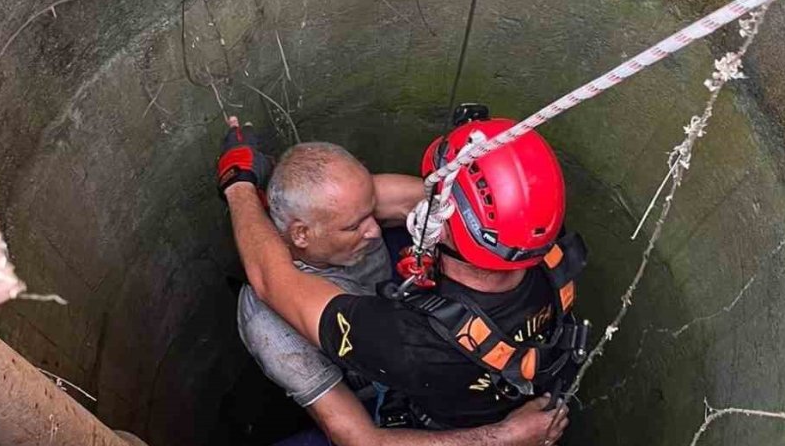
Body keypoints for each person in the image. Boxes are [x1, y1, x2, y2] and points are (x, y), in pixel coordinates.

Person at [219, 108, 587, 443]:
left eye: (371, 212)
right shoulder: (537, 230)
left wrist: (239, 183)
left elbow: (272, 277)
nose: (376, 229)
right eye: (354, 223)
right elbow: (355, 435)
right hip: (374, 375)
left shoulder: (408, 338)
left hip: (400, 359)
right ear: (302, 234)